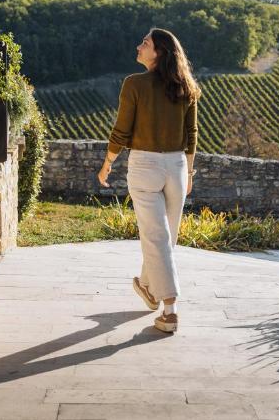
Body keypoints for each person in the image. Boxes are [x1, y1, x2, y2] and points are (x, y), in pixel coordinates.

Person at [98, 28, 199, 333]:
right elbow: (191, 137)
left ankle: (169, 310)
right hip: (177, 166)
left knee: (157, 237)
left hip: (144, 165)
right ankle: (148, 287)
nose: (138, 46)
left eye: (145, 43)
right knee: (165, 237)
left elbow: (121, 131)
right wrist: (189, 172)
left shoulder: (134, 84)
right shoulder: (187, 87)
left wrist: (107, 165)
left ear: (159, 52)